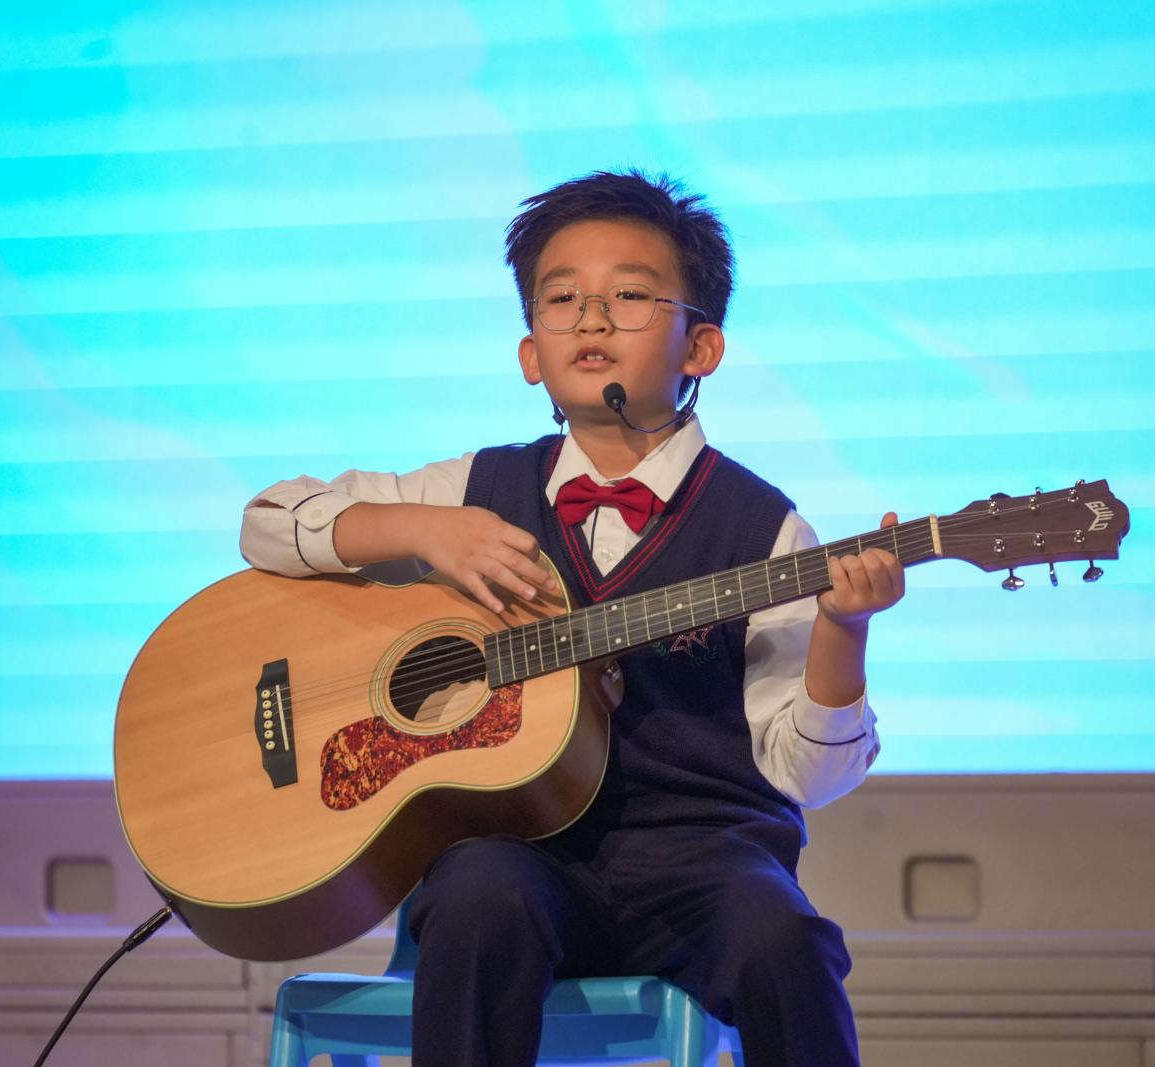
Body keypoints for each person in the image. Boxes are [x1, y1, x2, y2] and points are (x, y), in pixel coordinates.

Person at [240, 170, 904, 1067]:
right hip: (522, 854)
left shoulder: (766, 531)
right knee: (477, 896)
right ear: (530, 353)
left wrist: (844, 632)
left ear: (701, 346)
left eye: (629, 295)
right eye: (562, 299)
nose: (591, 319)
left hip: (703, 861)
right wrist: (419, 530)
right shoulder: (472, 490)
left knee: (786, 941)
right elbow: (267, 522)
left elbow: (808, 775)